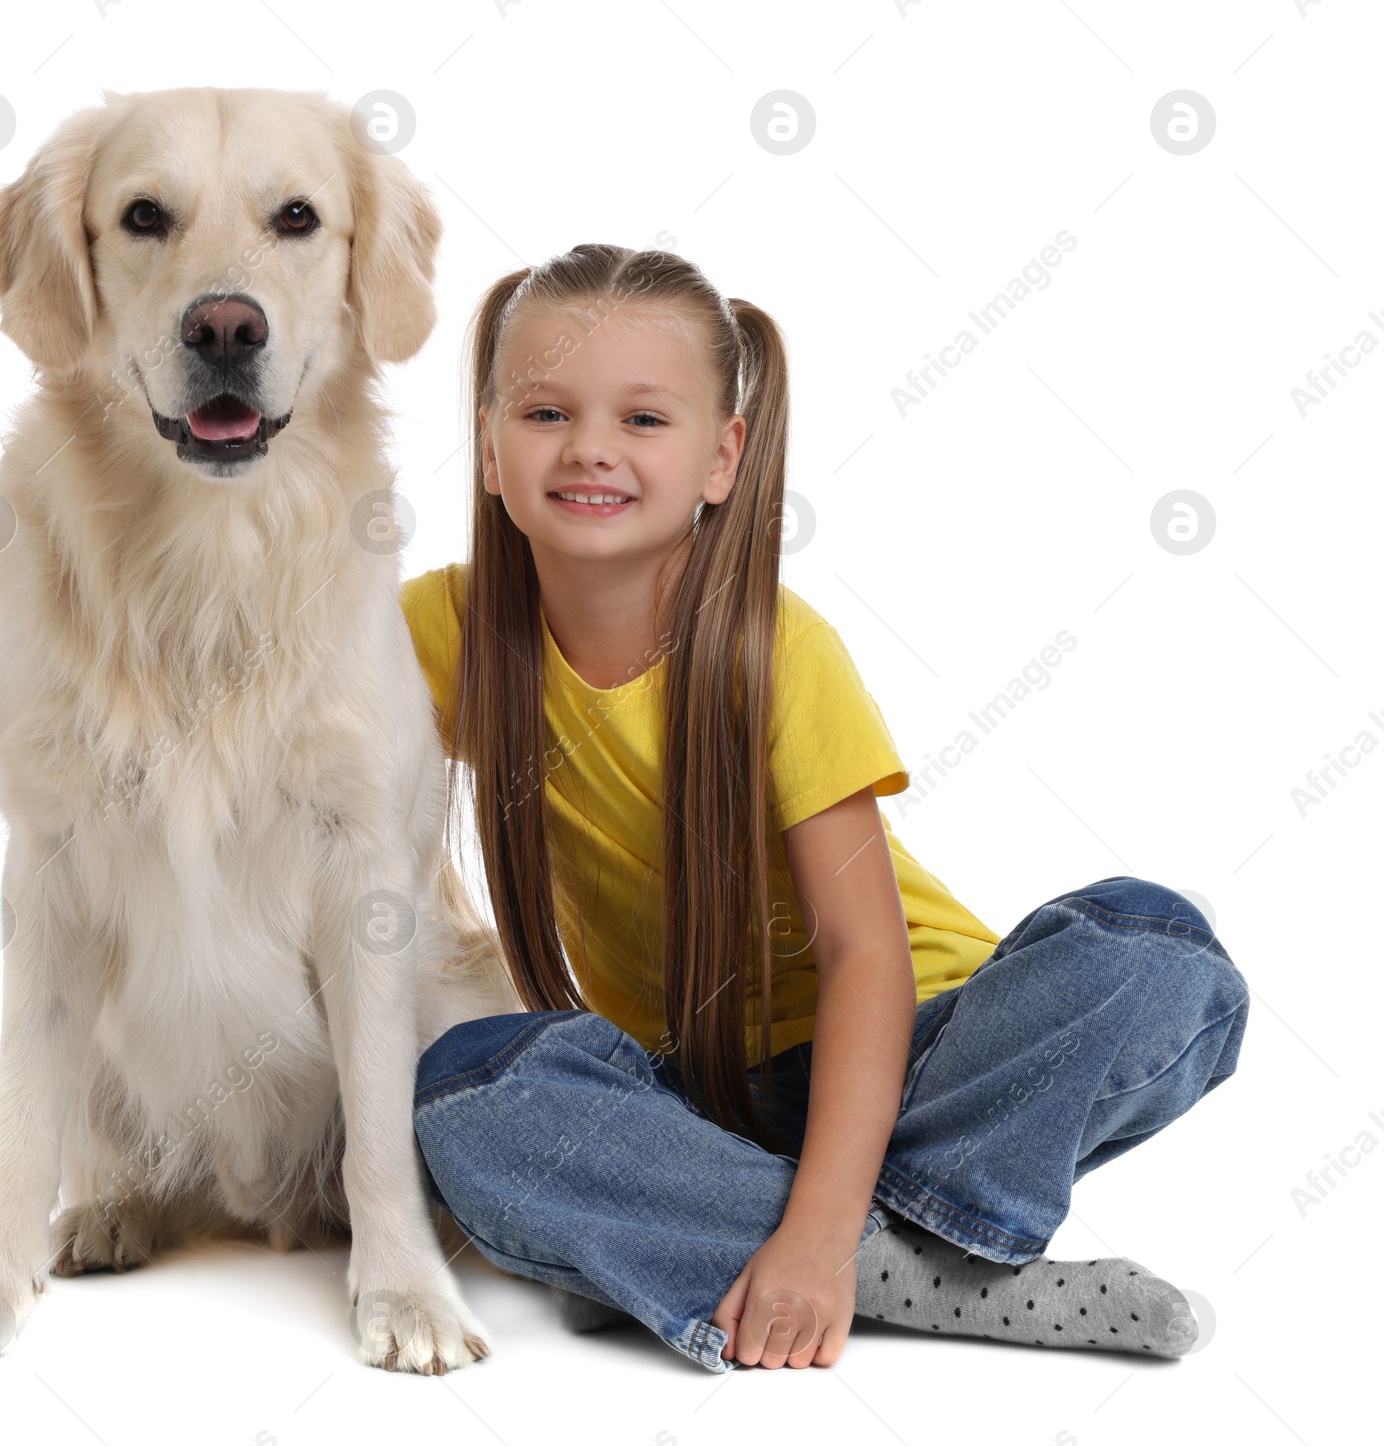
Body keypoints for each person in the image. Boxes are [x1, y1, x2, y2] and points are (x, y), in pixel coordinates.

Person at [398, 243, 1249, 1374]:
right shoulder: (440, 630)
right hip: (698, 1094)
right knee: (470, 1092)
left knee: (1161, 952)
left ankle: (690, 1241)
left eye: (644, 420)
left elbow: (864, 958)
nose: (590, 447)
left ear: (723, 456)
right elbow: (256, 709)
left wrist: (813, 1235)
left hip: (927, 1058)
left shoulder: (773, 651)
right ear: (490, 446)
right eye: (546, 411)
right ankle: (929, 1278)